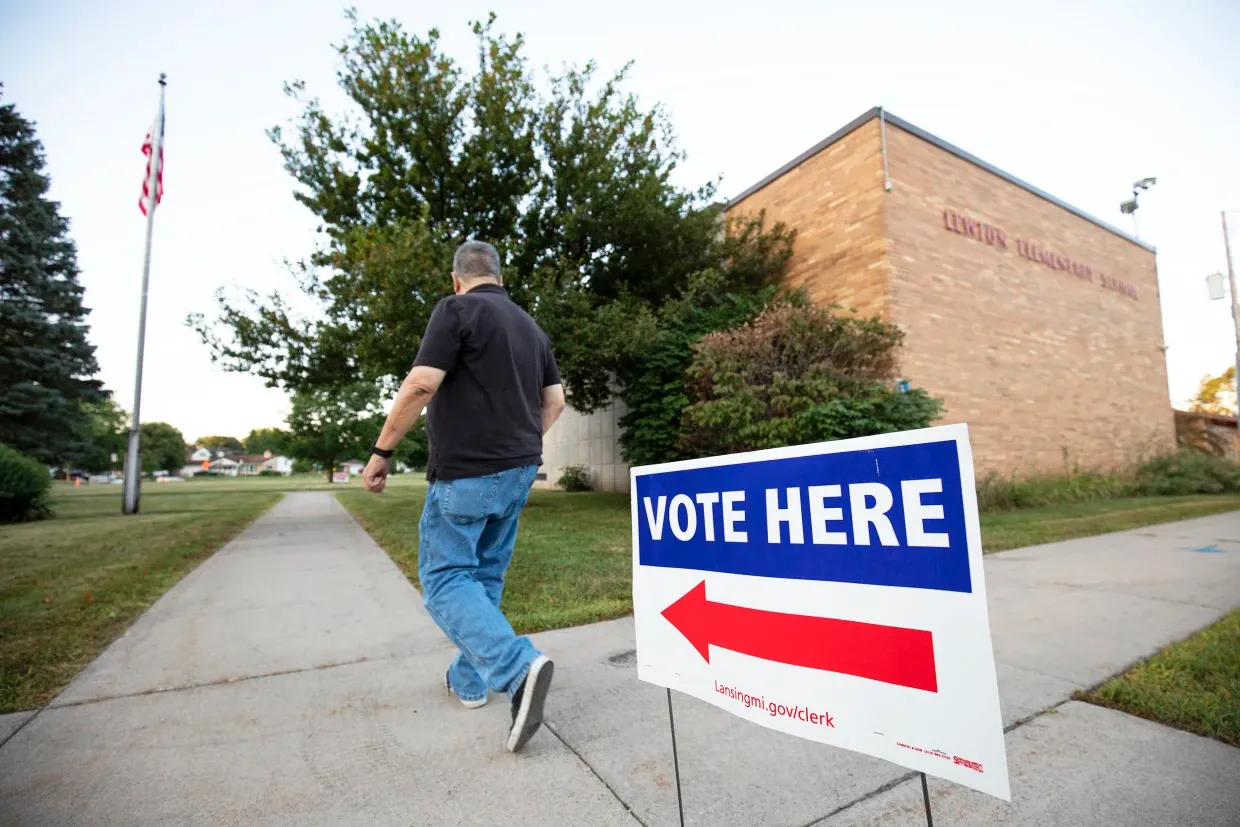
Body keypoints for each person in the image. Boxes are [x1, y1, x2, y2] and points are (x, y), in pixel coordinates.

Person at [362, 240, 566, 753]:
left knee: (444, 578)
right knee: (483, 578)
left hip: (467, 473)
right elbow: (556, 400)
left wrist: (382, 449)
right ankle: (469, 680)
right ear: (500, 276)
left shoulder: (455, 309)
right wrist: (521, 443)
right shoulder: (530, 326)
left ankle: (518, 668)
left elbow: (421, 385)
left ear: (456, 279)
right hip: (520, 470)